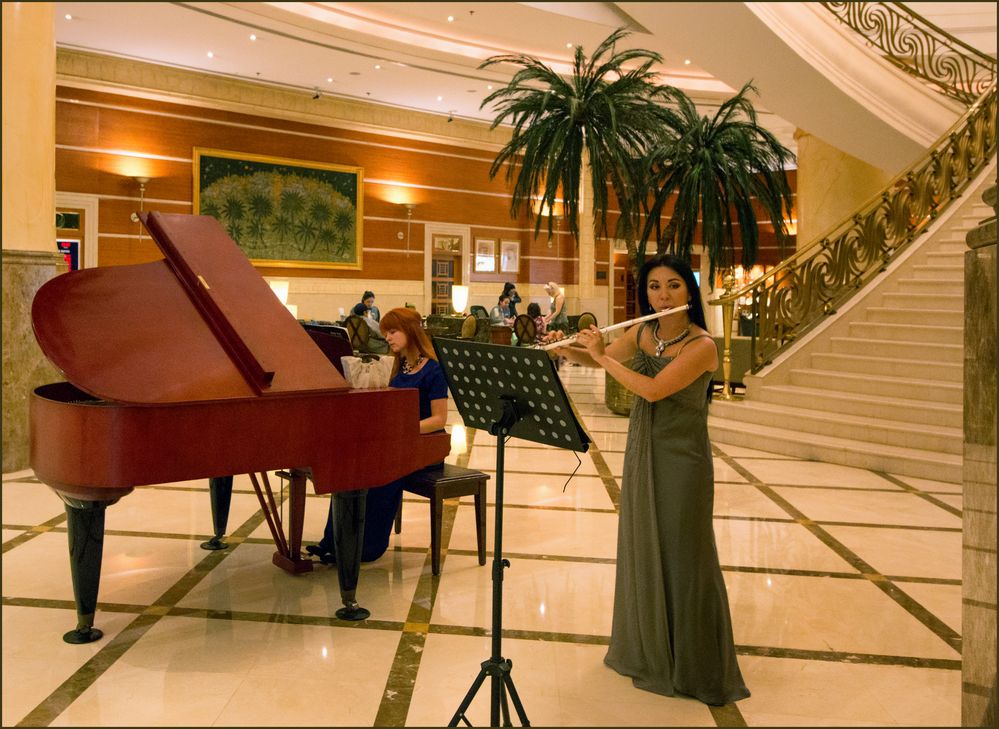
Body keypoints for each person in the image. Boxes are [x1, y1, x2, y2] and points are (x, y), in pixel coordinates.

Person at [561, 254, 749, 707]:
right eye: (654, 287)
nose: (662, 296)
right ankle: (649, 649)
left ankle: (695, 666)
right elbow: (593, 359)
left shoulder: (702, 345)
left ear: (689, 292)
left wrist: (603, 357)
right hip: (643, 452)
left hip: (681, 461)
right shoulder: (644, 331)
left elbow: (651, 389)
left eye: (673, 286)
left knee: (685, 555)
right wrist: (566, 347)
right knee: (646, 544)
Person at [307, 307, 448, 563]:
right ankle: (335, 541)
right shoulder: (397, 366)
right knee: (352, 465)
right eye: (386, 334)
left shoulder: (434, 370)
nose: (389, 338)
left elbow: (439, 419)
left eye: (393, 332)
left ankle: (367, 547)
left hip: (425, 444)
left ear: (411, 331)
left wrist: (404, 430)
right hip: (398, 441)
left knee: (382, 471)